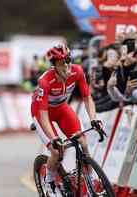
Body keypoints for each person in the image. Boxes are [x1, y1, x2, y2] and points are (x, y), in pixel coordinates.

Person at [30, 44, 103, 196]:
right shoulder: (45, 81)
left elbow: (87, 97)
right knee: (56, 151)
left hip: (62, 108)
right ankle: (49, 181)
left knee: (83, 142)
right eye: (62, 62)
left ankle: (90, 180)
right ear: (54, 65)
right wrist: (54, 137)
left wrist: (93, 119)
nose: (67, 65)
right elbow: (43, 115)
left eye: (68, 60)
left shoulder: (77, 71)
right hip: (42, 113)